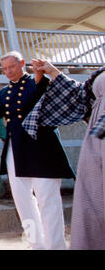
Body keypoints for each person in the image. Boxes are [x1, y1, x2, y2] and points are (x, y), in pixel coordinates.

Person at [0, 51, 75, 250]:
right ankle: (36, 244)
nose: (8, 72)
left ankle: (56, 246)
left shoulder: (38, 82)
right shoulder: (4, 92)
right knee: (23, 202)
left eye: (11, 67)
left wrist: (41, 77)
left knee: (48, 200)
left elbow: (44, 92)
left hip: (42, 148)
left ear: (22, 63)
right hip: (15, 150)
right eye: (4, 69)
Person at [23, 60, 104, 250]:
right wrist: (53, 72)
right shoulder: (100, 73)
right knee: (94, 207)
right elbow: (80, 95)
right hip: (96, 142)